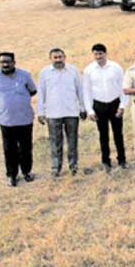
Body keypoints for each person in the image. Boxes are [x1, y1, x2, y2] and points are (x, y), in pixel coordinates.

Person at [37, 48, 87, 177]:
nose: (58, 60)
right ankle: (56, 167)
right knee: (55, 141)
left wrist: (82, 108)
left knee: (72, 140)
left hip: (71, 112)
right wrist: (40, 112)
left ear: (65, 57)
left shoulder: (73, 70)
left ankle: (73, 166)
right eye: (55, 57)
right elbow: (41, 93)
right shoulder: (45, 72)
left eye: (60, 57)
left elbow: (80, 90)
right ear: (50, 59)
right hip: (53, 113)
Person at [0, 52, 37, 186]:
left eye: (8, 61)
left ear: (14, 62)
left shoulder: (24, 75)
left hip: (24, 118)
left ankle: (27, 172)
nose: (5, 64)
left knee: (26, 148)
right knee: (9, 149)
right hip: (6, 120)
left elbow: (32, 91)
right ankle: (12, 175)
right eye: (2, 62)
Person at [83, 43, 128, 171]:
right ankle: (106, 161)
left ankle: (122, 160)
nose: (98, 56)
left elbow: (123, 88)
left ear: (105, 53)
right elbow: (86, 91)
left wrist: (122, 106)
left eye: (100, 53)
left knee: (118, 134)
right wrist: (90, 110)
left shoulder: (115, 67)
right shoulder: (88, 70)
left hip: (115, 104)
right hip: (99, 105)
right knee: (103, 135)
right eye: (96, 54)